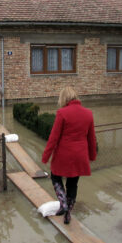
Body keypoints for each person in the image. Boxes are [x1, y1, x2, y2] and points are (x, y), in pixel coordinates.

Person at [42, 86, 97, 224]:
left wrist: (46, 156)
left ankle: (63, 203)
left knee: (55, 177)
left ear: (63, 98)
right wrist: (92, 155)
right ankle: (67, 214)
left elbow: (53, 138)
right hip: (80, 156)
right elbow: (91, 138)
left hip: (63, 155)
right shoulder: (88, 113)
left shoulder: (62, 113)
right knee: (73, 184)